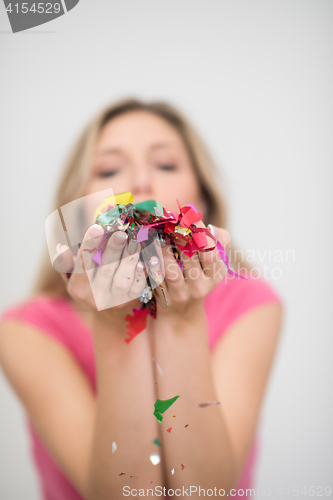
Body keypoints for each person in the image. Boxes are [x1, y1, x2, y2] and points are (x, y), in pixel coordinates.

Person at [0, 98, 283, 500]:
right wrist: (117, 322)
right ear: (75, 212)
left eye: (166, 164)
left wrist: (181, 320)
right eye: (108, 169)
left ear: (201, 199)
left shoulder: (250, 303)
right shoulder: (27, 330)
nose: (139, 181)